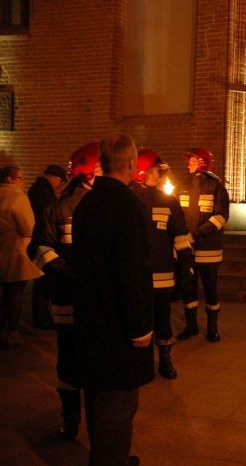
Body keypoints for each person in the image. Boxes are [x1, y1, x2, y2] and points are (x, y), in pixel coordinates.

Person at [71, 133, 153, 465]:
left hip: (90, 318)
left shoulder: (86, 203)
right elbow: (131, 272)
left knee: (96, 395)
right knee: (118, 405)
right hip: (119, 325)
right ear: (131, 163)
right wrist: (139, 327)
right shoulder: (128, 206)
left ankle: (104, 457)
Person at [27, 142, 99, 440]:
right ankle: (89, 429)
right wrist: (70, 274)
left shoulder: (59, 207)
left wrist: (65, 274)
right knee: (90, 363)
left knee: (68, 361)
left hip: (67, 300)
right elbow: (40, 248)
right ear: (92, 173)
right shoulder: (90, 208)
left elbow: (39, 249)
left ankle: (70, 423)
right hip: (87, 302)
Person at [131, 148, 194, 379]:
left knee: (162, 319)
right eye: (156, 170)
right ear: (143, 172)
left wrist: (186, 263)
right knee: (140, 320)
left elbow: (180, 235)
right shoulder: (129, 200)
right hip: (137, 276)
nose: (160, 175)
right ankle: (142, 362)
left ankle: (165, 359)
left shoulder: (168, 202)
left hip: (163, 275)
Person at [177, 148, 230, 342]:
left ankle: (212, 328)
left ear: (202, 163)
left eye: (192, 161)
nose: (188, 164)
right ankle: (191, 326)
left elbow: (220, 217)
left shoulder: (216, 188)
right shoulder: (183, 186)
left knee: (210, 289)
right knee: (188, 288)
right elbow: (177, 214)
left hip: (209, 249)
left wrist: (197, 233)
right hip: (187, 249)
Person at [0, 166, 43, 349]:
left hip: (2, 248)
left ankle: (3, 329)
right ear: (9, 179)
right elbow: (28, 228)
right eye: (20, 178)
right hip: (15, 251)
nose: (23, 182)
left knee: (5, 292)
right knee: (16, 292)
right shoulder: (18, 198)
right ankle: (13, 332)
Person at [27, 164, 67, 329]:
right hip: (44, 240)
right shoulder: (43, 193)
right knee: (43, 283)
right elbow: (47, 217)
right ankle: (41, 318)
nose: (61, 185)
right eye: (60, 181)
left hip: (41, 239)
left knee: (43, 283)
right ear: (52, 178)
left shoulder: (39, 189)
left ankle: (42, 316)